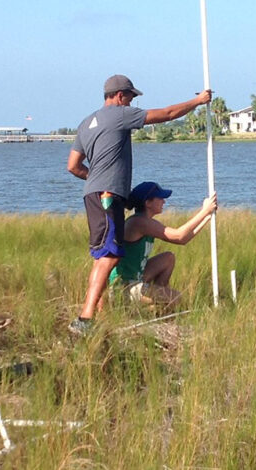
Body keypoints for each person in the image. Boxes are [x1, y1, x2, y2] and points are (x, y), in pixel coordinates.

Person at [67, 74, 212, 335]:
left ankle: (97, 315)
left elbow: (73, 166)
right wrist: (198, 101)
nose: (132, 104)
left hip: (93, 195)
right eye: (131, 98)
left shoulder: (86, 123)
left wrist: (96, 177)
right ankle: (86, 319)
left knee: (103, 255)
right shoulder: (119, 114)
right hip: (108, 196)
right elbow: (166, 114)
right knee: (108, 256)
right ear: (120, 96)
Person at [102, 181, 217, 311]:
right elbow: (179, 236)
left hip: (136, 279)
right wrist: (204, 211)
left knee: (168, 258)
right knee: (177, 298)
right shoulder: (139, 223)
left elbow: (184, 240)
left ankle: (158, 300)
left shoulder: (145, 221)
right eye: (160, 198)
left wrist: (207, 217)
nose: (164, 202)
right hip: (123, 286)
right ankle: (138, 310)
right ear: (148, 203)